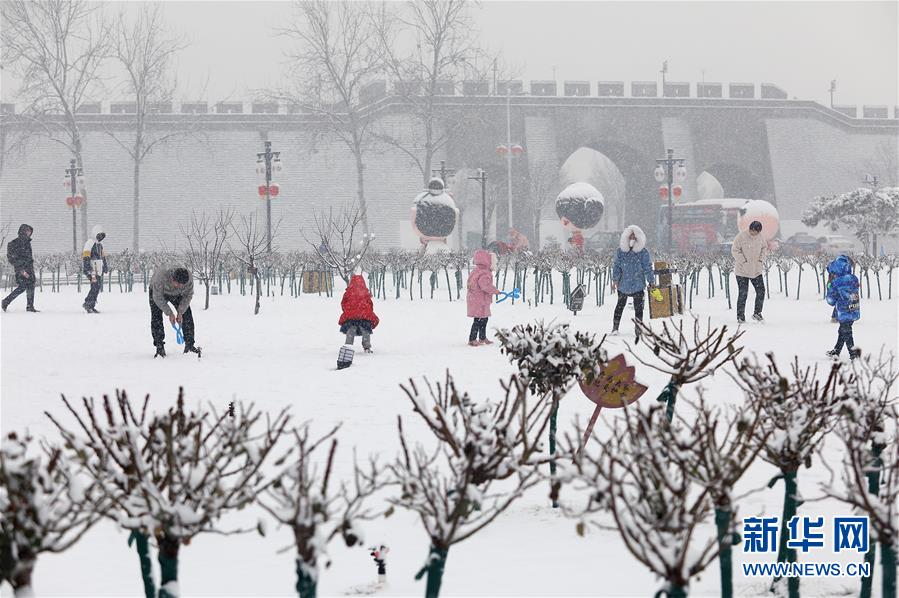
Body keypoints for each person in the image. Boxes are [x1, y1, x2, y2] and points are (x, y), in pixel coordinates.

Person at [611, 225, 654, 342]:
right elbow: (617, 266)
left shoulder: (643, 253)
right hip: (623, 284)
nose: (632, 238)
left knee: (638, 308)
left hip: (638, 285)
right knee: (619, 306)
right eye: (630, 236)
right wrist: (615, 280)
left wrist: (651, 280)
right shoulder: (620, 252)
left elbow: (647, 267)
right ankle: (615, 328)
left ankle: (638, 329)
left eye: (635, 236)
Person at [149, 265, 198, 358]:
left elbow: (188, 295)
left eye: (182, 286)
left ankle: (190, 345)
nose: (179, 287)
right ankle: (159, 347)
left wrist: (180, 312)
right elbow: (157, 298)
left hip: (177, 295)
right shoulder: (160, 277)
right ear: (172, 279)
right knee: (156, 317)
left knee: (187, 315)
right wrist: (170, 313)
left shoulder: (189, 279)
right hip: (157, 292)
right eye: (178, 284)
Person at [731, 220, 768, 324]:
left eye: (757, 232)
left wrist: (761, 260)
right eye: (753, 231)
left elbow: (764, 248)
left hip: (756, 270)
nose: (754, 234)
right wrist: (743, 261)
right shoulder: (741, 236)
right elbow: (735, 250)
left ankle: (757, 313)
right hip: (742, 271)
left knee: (761, 291)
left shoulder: (760, 237)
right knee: (743, 294)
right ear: (750, 229)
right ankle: (740, 317)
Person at [825, 255, 861, 360]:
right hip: (854, 309)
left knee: (847, 333)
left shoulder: (836, 283)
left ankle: (853, 354)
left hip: (844, 312)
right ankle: (836, 351)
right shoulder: (854, 279)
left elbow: (831, 301)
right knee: (843, 331)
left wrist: (829, 287)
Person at [339, 274, 380, 355]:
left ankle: (348, 346)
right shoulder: (365, 292)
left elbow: (343, 304)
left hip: (351, 316)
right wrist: (366, 311)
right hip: (364, 315)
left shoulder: (348, 292)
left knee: (351, 329)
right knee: (366, 329)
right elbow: (370, 304)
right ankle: (367, 347)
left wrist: (348, 311)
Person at [466, 249, 500, 346]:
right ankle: (472, 339)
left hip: (476, 299)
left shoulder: (476, 270)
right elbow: (485, 286)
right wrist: (495, 291)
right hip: (480, 300)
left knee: (483, 319)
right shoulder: (484, 273)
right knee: (479, 320)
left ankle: (482, 337)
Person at [2, 224, 38, 313]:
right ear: (23, 231)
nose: (29, 233)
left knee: (29, 286)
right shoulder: (14, 243)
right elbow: (11, 258)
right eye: (28, 231)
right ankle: (6, 301)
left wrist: (30, 266)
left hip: (29, 268)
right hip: (21, 269)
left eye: (30, 231)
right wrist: (21, 268)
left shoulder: (27, 242)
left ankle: (29, 306)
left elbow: (28, 257)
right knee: (24, 286)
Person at [81, 225, 108, 314]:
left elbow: (103, 257)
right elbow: (86, 256)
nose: (100, 237)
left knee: (97, 287)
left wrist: (105, 266)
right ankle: (88, 304)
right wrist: (87, 268)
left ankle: (91, 305)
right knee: (95, 286)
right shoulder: (89, 243)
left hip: (98, 269)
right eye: (99, 235)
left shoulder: (100, 245)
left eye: (102, 235)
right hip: (92, 269)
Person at [826, 254, 854, 323]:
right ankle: (838, 317)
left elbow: (829, 269)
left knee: (839, 299)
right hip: (842, 284)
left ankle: (835, 317)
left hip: (833, 282)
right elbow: (848, 276)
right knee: (844, 300)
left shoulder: (836, 262)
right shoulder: (846, 265)